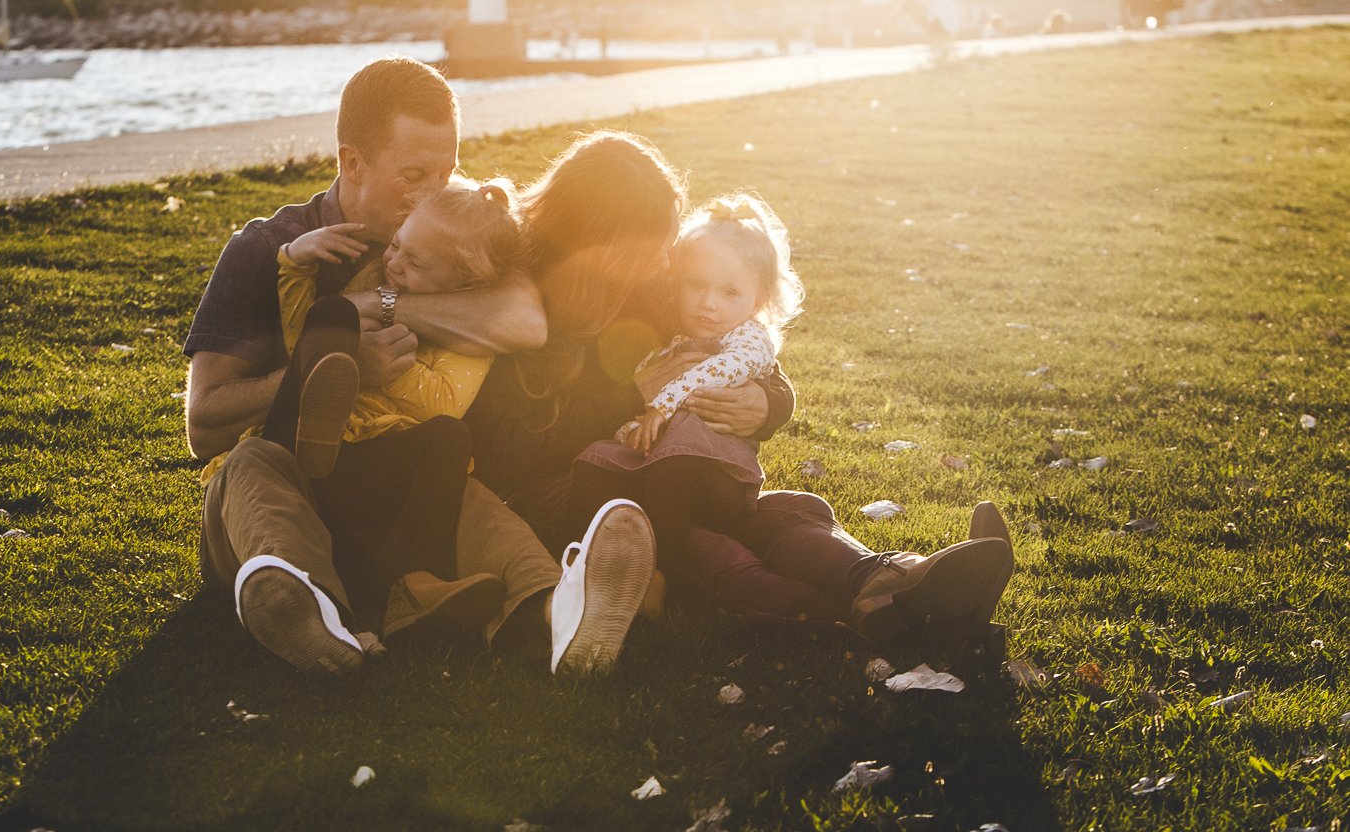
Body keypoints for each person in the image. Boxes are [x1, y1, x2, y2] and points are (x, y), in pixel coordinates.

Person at [185, 56, 656, 678]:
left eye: (447, 169)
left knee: (475, 503)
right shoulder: (265, 249)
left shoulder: (451, 232)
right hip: (283, 488)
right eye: (413, 173)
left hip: (395, 489)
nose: (433, 190)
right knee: (250, 468)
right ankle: (304, 607)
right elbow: (205, 426)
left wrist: (376, 303)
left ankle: (558, 610)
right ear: (351, 162)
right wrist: (331, 364)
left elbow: (525, 321)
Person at [463, 131, 1014, 650]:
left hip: (668, 471)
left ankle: (890, 576)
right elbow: (505, 457)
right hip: (579, 496)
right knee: (706, 543)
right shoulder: (514, 298)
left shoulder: (646, 283)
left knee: (778, 517)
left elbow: (733, 346)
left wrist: (769, 402)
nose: (664, 264)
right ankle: (865, 615)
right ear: (602, 239)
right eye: (651, 248)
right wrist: (633, 400)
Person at [257, 177, 527, 636]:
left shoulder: (471, 335)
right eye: (397, 245)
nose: (394, 264)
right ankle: (316, 428)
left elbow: (443, 403)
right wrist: (294, 265)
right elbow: (297, 338)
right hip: (305, 442)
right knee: (331, 316)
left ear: (464, 283)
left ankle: (414, 586)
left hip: (377, 462)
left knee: (449, 436)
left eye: (415, 261)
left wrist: (389, 364)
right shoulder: (373, 281)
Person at [566, 192, 802, 574]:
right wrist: (639, 389)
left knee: (670, 471)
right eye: (696, 285)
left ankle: (660, 576)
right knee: (596, 461)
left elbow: (716, 371)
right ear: (678, 282)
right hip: (663, 452)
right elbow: (653, 369)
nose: (709, 303)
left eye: (729, 292)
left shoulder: (750, 339)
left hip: (715, 471)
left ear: (757, 300)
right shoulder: (680, 331)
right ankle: (580, 564)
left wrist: (662, 402)